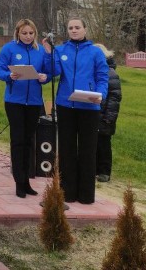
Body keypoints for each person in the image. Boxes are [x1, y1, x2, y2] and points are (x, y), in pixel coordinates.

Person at [43, 16, 109, 204]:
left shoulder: (95, 52)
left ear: (85, 30)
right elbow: (53, 72)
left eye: (77, 27)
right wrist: (49, 54)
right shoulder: (61, 50)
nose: (73, 30)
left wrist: (100, 94)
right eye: (71, 27)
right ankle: (68, 193)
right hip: (66, 106)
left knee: (88, 150)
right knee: (67, 149)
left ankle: (86, 195)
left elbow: (102, 77)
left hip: (89, 107)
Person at [0, 19, 50, 198]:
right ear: (17, 33)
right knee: (18, 141)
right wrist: (9, 75)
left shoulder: (40, 51)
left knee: (29, 141)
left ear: (35, 33)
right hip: (14, 102)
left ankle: (27, 181)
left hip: (34, 102)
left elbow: (50, 71)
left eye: (31, 33)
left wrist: (45, 77)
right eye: (24, 33)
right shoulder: (9, 49)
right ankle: (19, 181)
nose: (28, 36)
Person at [95, 43, 121, 183]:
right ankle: (94, 169)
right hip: (94, 113)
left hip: (105, 115)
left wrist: (109, 118)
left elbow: (114, 98)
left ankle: (104, 171)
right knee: (93, 143)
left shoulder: (111, 74)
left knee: (104, 144)